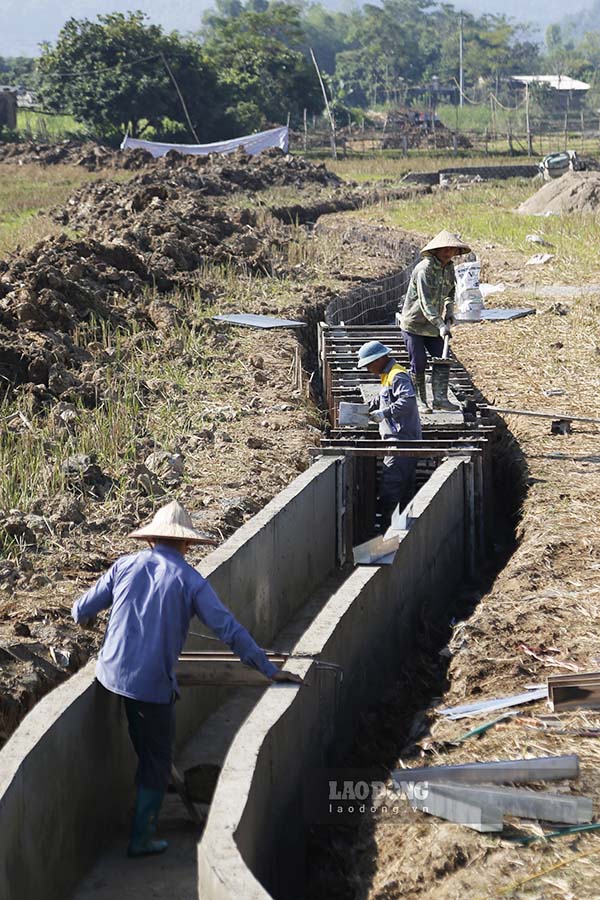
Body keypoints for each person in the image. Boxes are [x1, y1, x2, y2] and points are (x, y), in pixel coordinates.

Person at [72, 500, 301, 859]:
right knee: (157, 760)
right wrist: (269, 669)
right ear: (187, 544)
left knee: (146, 748)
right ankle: (142, 838)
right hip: (149, 686)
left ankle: (144, 804)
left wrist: (88, 620)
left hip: (110, 675)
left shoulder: (125, 566)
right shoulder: (190, 581)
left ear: (151, 540)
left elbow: (80, 608)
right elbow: (229, 630)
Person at [399, 229, 471, 412]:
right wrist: (440, 324)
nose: (448, 253)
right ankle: (420, 400)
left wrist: (449, 310)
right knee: (419, 361)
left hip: (433, 327)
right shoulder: (425, 269)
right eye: (444, 249)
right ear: (436, 251)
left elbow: (450, 292)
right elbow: (425, 303)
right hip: (414, 324)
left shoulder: (449, 268)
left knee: (442, 357)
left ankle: (440, 399)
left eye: (451, 249)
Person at [356, 340, 422, 531]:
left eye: (369, 364)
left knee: (391, 491)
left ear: (380, 358)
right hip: (400, 441)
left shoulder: (397, 375)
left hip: (401, 442)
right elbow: (383, 397)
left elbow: (407, 401)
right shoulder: (387, 375)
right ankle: (398, 534)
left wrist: (384, 413)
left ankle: (387, 536)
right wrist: (366, 408)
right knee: (402, 491)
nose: (368, 369)